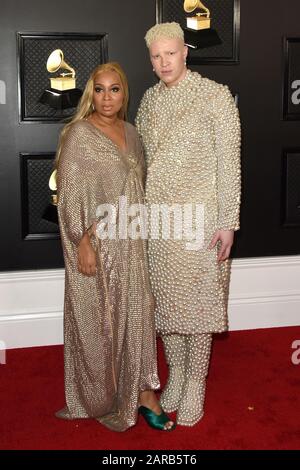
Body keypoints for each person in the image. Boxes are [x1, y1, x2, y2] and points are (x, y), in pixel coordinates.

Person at [55, 62, 175, 432]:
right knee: (101, 321)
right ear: (91, 93)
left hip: (134, 243)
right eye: (100, 89)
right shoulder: (79, 135)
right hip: (100, 245)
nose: (107, 97)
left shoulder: (132, 133)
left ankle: (142, 393)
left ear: (124, 94)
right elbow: (70, 196)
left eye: (115, 89)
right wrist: (83, 243)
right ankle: (103, 394)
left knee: (138, 316)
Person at [135, 23, 241, 426]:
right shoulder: (148, 100)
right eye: (156, 56)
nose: (164, 62)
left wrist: (228, 221)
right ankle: (175, 372)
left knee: (198, 306)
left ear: (185, 52)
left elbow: (228, 163)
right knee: (164, 305)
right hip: (159, 220)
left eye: (170, 54)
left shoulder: (214, 96)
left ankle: (196, 381)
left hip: (201, 219)